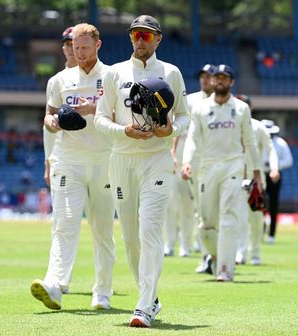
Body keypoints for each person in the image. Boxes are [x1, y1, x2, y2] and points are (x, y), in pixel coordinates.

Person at [94, 15, 189, 328]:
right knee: (131, 238)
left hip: (157, 160)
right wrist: (125, 131)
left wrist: (170, 131)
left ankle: (144, 306)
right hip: (122, 159)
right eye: (136, 34)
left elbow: (186, 118)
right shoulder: (114, 73)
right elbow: (98, 120)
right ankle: (151, 297)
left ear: (158, 39)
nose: (140, 40)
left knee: (150, 231)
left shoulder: (171, 73)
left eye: (147, 35)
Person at [32, 23, 116, 311]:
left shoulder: (113, 77)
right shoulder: (58, 80)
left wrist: (95, 110)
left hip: (104, 160)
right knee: (65, 224)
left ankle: (102, 292)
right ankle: (54, 284)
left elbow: (122, 115)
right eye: (75, 47)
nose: (79, 53)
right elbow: (48, 116)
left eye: (84, 47)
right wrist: (51, 123)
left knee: (102, 229)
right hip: (69, 160)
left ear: (97, 45)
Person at [181, 64, 262, 282]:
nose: (219, 81)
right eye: (216, 78)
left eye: (224, 78)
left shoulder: (242, 108)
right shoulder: (200, 108)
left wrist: (257, 171)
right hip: (207, 166)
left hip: (233, 165)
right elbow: (192, 138)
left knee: (228, 216)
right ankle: (215, 256)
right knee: (206, 223)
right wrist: (187, 161)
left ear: (231, 82)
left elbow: (250, 142)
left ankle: (226, 268)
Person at [164, 64, 214, 259]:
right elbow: (178, 127)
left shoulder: (216, 104)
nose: (204, 80)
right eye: (202, 76)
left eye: (208, 76)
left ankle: (186, 245)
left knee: (189, 206)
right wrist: (173, 152)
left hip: (201, 161)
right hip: (179, 160)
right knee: (170, 204)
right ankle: (169, 244)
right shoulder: (190, 100)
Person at [234, 94, 279, 266]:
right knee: (240, 217)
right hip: (236, 177)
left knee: (256, 218)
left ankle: (255, 253)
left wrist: (274, 168)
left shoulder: (259, 128)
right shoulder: (231, 127)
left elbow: (271, 149)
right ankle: (241, 253)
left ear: (249, 108)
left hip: (256, 181)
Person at [43, 26, 78, 188]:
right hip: (65, 159)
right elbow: (48, 124)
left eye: (75, 43)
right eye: (67, 44)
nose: (71, 48)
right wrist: (48, 162)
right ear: (63, 48)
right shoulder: (55, 81)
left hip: (99, 156)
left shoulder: (103, 76)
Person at [261, 119, 293, 244]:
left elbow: (289, 160)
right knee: (259, 205)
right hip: (261, 174)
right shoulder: (257, 141)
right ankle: (260, 231)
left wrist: (275, 166)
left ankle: (272, 234)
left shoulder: (280, 143)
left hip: (275, 176)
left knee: (274, 205)